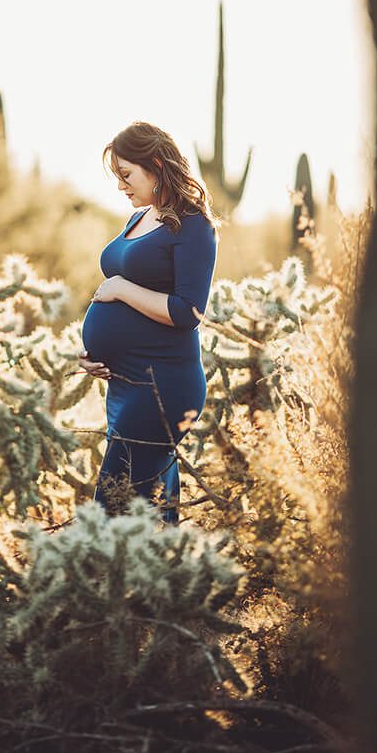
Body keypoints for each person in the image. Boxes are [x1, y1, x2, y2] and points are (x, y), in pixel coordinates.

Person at [76, 122, 218, 526]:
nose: (121, 186)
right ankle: (158, 584)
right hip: (126, 386)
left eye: (127, 175)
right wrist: (92, 355)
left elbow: (189, 312)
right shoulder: (140, 218)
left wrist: (119, 288)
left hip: (163, 386)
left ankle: (103, 583)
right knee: (146, 509)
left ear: (155, 165)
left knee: (114, 507)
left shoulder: (194, 226)